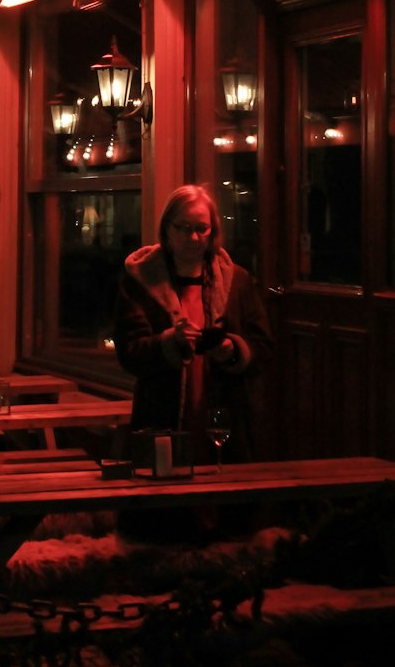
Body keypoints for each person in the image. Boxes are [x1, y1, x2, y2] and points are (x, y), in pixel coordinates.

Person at [113, 184, 274, 539]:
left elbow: (263, 345)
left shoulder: (237, 281)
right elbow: (130, 351)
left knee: (227, 516)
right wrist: (168, 344)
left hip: (222, 409)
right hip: (163, 409)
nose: (194, 236)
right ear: (166, 230)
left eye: (202, 227)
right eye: (183, 227)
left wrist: (233, 350)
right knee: (165, 516)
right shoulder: (141, 281)